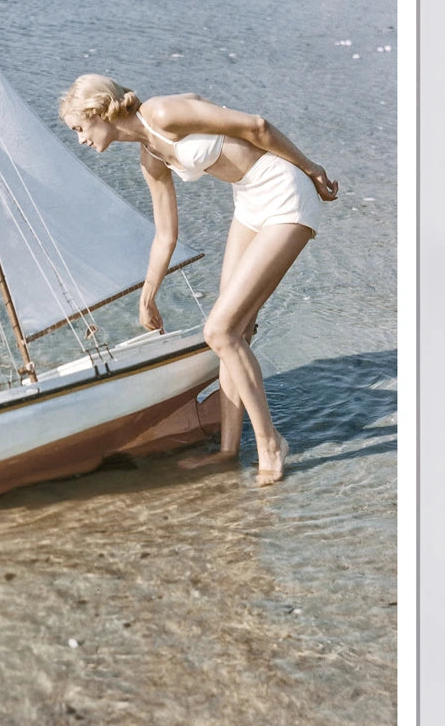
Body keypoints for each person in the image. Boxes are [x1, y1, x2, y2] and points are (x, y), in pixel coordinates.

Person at [59, 74, 338, 485]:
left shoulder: (162, 113)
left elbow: (256, 126)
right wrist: (147, 295)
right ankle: (229, 451)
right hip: (248, 201)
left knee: (220, 331)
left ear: (99, 111)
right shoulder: (149, 158)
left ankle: (270, 443)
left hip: (283, 192)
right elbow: (165, 235)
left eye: (79, 129)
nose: (81, 140)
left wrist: (311, 169)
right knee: (233, 334)